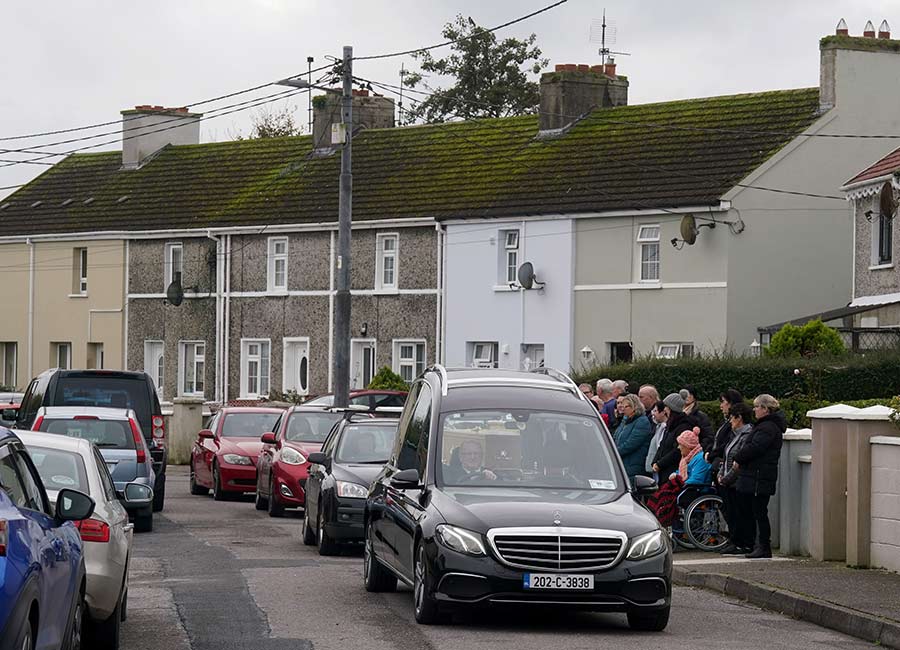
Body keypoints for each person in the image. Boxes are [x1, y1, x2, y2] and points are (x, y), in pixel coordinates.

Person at [734, 394, 786, 559]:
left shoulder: (767, 428)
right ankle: (757, 544)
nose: (754, 410)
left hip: (759, 475)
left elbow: (755, 447)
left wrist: (739, 457)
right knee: (755, 511)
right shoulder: (765, 426)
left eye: (757, 407)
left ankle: (763, 546)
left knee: (759, 512)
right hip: (756, 475)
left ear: (765, 409)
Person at [716, 402, 755, 555]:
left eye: (732, 418)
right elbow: (726, 457)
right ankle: (734, 540)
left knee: (741, 514)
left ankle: (743, 543)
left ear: (739, 418)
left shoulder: (747, 435)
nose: (730, 421)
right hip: (727, 481)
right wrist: (721, 474)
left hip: (736, 482)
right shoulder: (734, 435)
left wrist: (727, 478)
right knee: (731, 513)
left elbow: (738, 461)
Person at [651, 393, 691, 483]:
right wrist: (655, 462)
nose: (665, 410)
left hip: (671, 470)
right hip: (663, 470)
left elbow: (677, 450)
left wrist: (660, 464)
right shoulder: (670, 425)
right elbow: (662, 445)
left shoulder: (683, 426)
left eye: (667, 407)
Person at [613, 394, 652, 479]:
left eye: (625, 406)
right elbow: (615, 437)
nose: (622, 409)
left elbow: (631, 444)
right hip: (622, 463)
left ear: (634, 406)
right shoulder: (625, 421)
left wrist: (614, 452)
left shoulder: (642, 421)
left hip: (633, 465)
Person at [706, 388, 744, 470]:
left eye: (723, 402)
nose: (721, 406)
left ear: (731, 403)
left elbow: (727, 444)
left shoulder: (735, 425)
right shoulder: (726, 422)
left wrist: (711, 455)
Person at [674, 428, 712, 508]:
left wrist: (680, 483)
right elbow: (681, 473)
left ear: (688, 446)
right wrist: (675, 475)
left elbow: (697, 479)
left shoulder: (700, 459)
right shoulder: (687, 459)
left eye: (681, 445)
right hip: (688, 488)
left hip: (696, 491)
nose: (678, 447)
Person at [681, 385, 714, 452]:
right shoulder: (677, 413)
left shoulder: (701, 416)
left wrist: (697, 449)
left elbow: (709, 437)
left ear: (694, 397)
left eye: (690, 394)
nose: (687, 396)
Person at [645, 400, 668, 478]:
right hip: (654, 466)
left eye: (655, 411)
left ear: (663, 412)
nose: (653, 413)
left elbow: (660, 447)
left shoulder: (664, 428)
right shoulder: (658, 427)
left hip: (659, 467)